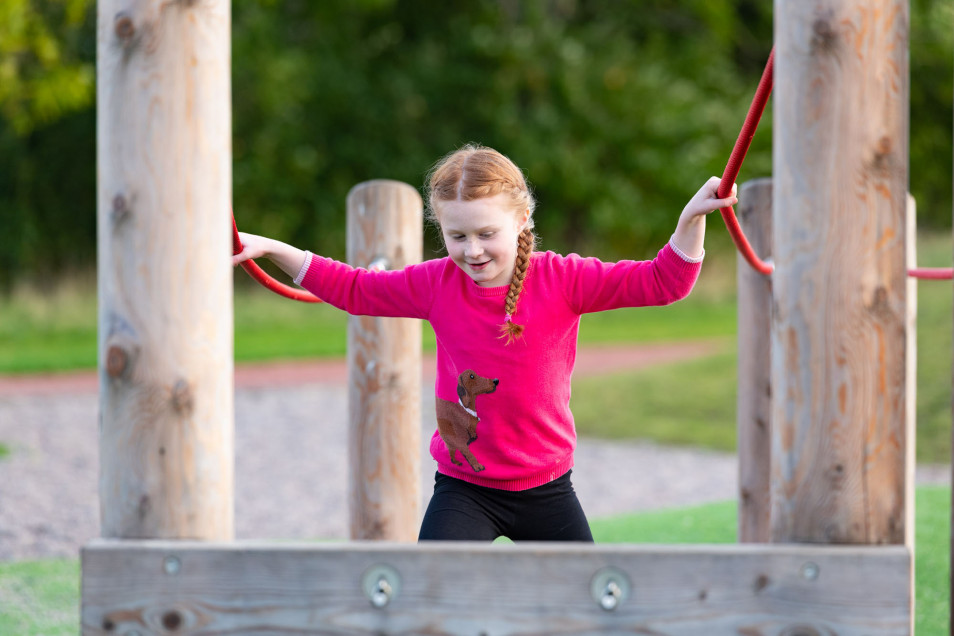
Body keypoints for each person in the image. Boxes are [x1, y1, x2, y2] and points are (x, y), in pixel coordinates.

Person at [233, 144, 737, 542]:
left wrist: (689, 221)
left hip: (547, 488)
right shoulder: (436, 284)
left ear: (522, 221)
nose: (471, 251)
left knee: (585, 605)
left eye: (486, 233)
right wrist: (275, 248)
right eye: (457, 237)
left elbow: (662, 283)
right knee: (432, 597)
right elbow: (356, 290)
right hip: (464, 489)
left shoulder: (563, 279)